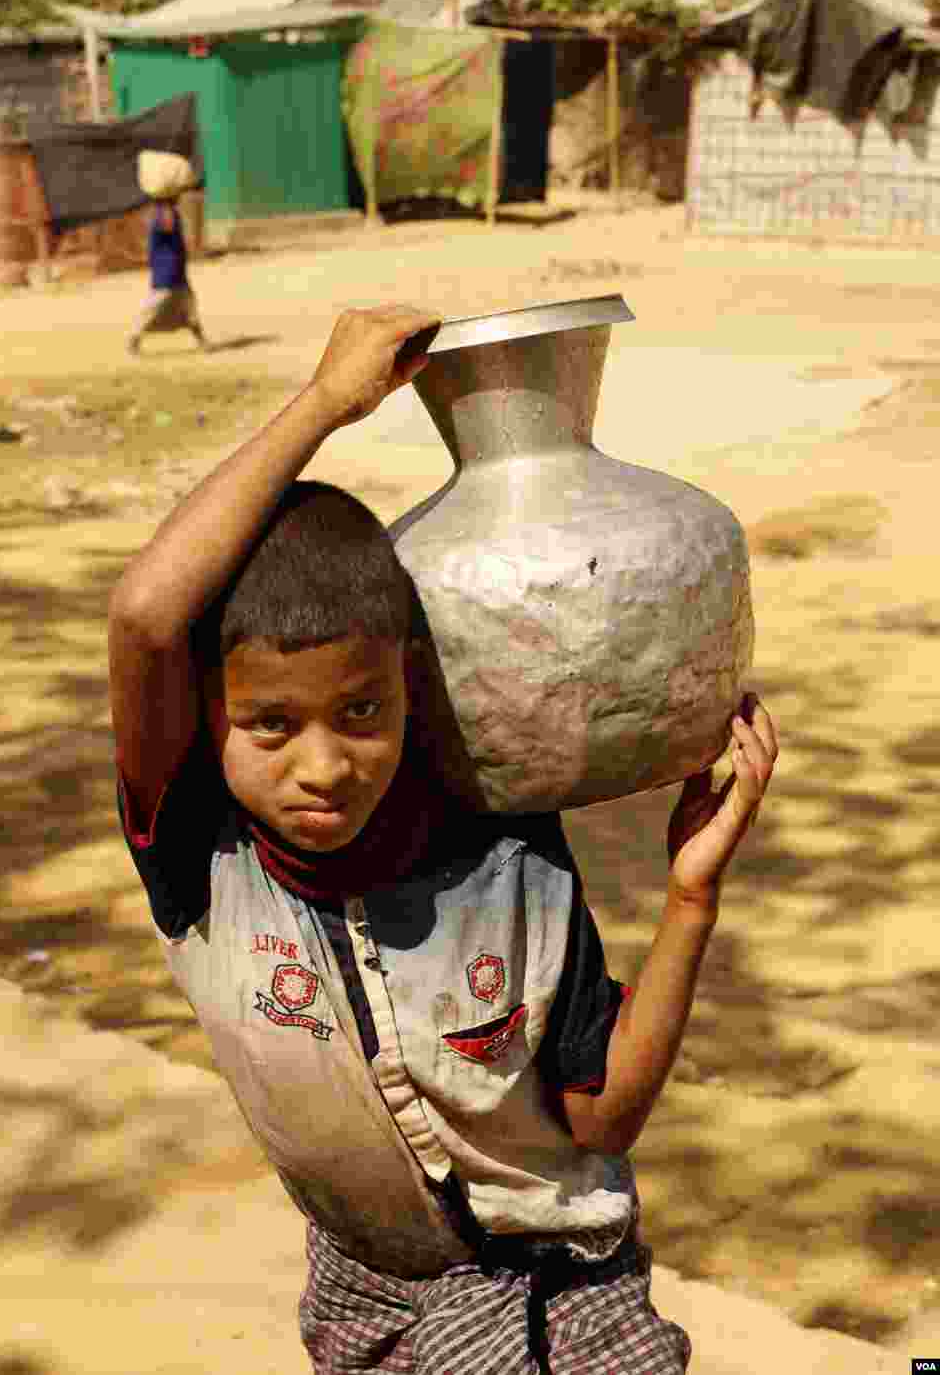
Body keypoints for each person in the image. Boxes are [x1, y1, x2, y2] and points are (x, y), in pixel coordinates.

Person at [108, 304, 779, 1374]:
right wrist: (327, 403)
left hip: (569, 1295)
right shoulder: (201, 855)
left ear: (411, 697)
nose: (323, 765)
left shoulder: (507, 861)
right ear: (208, 716)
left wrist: (690, 897)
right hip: (370, 1303)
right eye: (270, 723)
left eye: (362, 713)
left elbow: (597, 1122)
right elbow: (147, 615)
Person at [127, 196, 208, 356]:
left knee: (189, 305)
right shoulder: (161, 215)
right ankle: (134, 339)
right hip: (166, 270)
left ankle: (201, 341)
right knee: (154, 306)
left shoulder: (168, 213)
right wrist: (167, 208)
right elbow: (167, 226)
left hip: (177, 270)